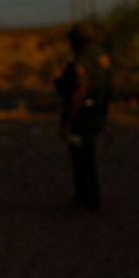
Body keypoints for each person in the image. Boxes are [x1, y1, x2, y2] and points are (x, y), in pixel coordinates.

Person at [55, 22, 111, 209]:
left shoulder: (84, 59)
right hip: (97, 112)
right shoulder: (101, 56)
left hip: (83, 115)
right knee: (86, 155)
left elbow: (80, 90)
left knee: (81, 157)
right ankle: (90, 197)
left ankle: (85, 198)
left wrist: (69, 119)